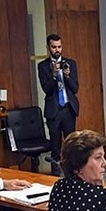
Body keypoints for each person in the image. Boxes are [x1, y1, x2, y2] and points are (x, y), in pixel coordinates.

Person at [38, 33, 79, 176]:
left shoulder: (70, 63)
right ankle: (55, 177)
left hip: (68, 108)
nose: (57, 50)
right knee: (55, 146)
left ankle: (73, 175)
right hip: (53, 110)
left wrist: (67, 76)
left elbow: (75, 88)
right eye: (54, 47)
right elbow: (47, 90)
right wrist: (54, 75)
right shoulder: (43, 66)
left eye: (59, 47)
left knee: (72, 144)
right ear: (48, 47)